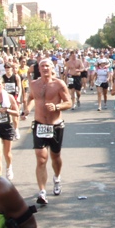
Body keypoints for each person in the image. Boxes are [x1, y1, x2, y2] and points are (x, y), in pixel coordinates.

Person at [24, 58, 72, 204]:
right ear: (39, 68)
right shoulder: (34, 84)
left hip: (55, 125)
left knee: (55, 156)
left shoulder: (59, 84)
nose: (45, 68)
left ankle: (57, 178)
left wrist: (57, 107)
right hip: (39, 124)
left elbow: (69, 102)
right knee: (41, 158)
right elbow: (32, 98)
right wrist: (27, 108)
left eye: (47, 66)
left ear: (52, 68)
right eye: (42, 66)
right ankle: (42, 192)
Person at [2, 64, 22, 139]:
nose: (7, 69)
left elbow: (19, 88)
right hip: (6, 98)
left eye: (8, 67)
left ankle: (16, 130)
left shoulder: (16, 77)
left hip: (14, 97)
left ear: (11, 68)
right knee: (8, 116)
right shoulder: (3, 77)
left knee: (15, 117)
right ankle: (11, 130)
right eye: (6, 68)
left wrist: (19, 97)